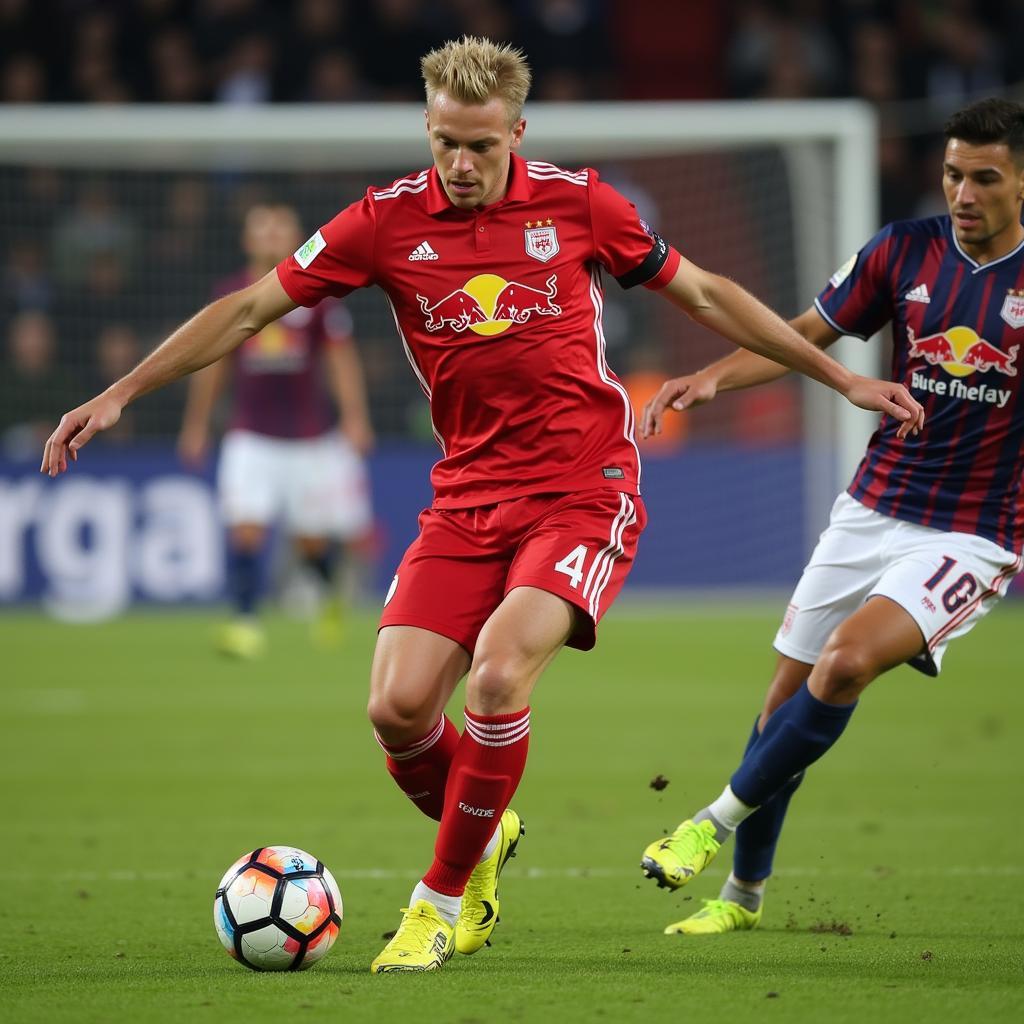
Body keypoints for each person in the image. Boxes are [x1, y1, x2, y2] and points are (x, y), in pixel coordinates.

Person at [41, 36, 923, 974]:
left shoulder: (580, 203)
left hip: (586, 488)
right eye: (446, 144)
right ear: (427, 128)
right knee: (397, 708)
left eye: (482, 147)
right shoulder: (380, 222)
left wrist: (840, 376)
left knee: (500, 679)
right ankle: (487, 830)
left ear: (517, 132)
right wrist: (122, 392)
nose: (462, 166)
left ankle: (439, 902)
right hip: (466, 495)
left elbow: (703, 292)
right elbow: (251, 310)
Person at [638, 96, 1024, 937]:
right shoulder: (903, 250)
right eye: (954, 173)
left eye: (985, 177)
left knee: (845, 663)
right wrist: (712, 378)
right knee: (781, 706)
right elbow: (802, 332)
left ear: (1022, 184)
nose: (964, 191)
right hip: (874, 504)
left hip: (976, 532)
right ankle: (741, 898)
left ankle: (707, 823)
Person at [177, 203, 375, 657]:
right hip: (251, 436)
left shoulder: (318, 298)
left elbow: (341, 361)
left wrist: (355, 417)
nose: (269, 236)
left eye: (278, 228)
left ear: (295, 239)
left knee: (310, 540)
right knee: (246, 528)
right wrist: (196, 426)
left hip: (310, 442)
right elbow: (212, 366)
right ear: (247, 240)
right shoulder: (229, 294)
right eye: (260, 229)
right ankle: (245, 622)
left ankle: (329, 596)